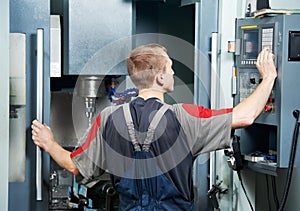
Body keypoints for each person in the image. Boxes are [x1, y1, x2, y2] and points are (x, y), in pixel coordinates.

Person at [31, 44, 277, 210]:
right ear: (160, 78)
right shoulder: (185, 117)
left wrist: (49, 143)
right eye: (170, 69)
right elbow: (244, 116)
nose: (173, 73)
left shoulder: (107, 119)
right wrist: (268, 78)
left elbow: (75, 166)